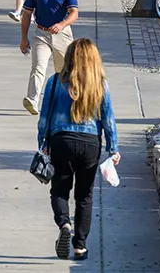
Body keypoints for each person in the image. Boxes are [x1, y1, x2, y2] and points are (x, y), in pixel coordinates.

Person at [37, 39, 119, 261]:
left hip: (61, 140)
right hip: (90, 143)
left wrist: (42, 142)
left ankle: (64, 223)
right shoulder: (100, 84)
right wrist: (113, 148)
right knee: (85, 195)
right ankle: (79, 247)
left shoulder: (55, 82)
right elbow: (108, 118)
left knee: (59, 189)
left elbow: (45, 116)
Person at [20, 0, 79, 115]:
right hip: (41, 33)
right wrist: (24, 38)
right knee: (38, 67)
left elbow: (74, 13)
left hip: (62, 34)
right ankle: (32, 99)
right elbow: (26, 15)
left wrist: (62, 24)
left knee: (65, 70)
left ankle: (69, 101)